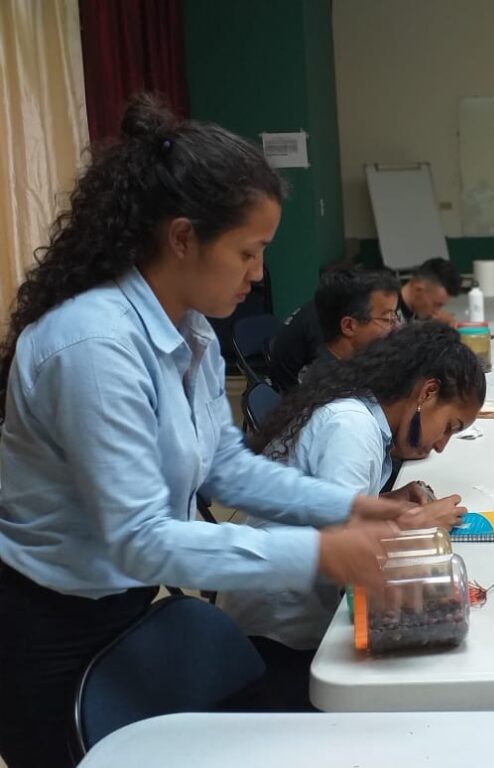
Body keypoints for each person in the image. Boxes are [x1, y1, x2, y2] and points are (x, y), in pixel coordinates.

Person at [0, 95, 408, 768]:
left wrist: (348, 507)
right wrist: (319, 554)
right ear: (183, 237)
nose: (259, 274)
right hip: (50, 631)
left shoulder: (187, 330)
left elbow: (224, 465)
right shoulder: (95, 348)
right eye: (248, 252)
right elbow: (137, 540)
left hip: (121, 608)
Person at [218, 321, 484, 705]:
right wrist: (418, 522)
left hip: (298, 611)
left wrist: (389, 502)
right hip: (281, 636)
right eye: (448, 427)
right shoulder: (352, 429)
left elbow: (332, 509)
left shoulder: (366, 418)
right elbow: (348, 554)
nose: (441, 445)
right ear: (427, 392)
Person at [269, 268, 400, 391]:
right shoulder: (331, 392)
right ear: (348, 326)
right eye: (386, 319)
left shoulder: (352, 365)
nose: (396, 328)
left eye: (395, 316)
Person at [397, 257, 462, 326]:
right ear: (418, 289)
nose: (437, 312)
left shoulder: (419, 309)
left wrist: (448, 320)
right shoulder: (389, 314)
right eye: (436, 305)